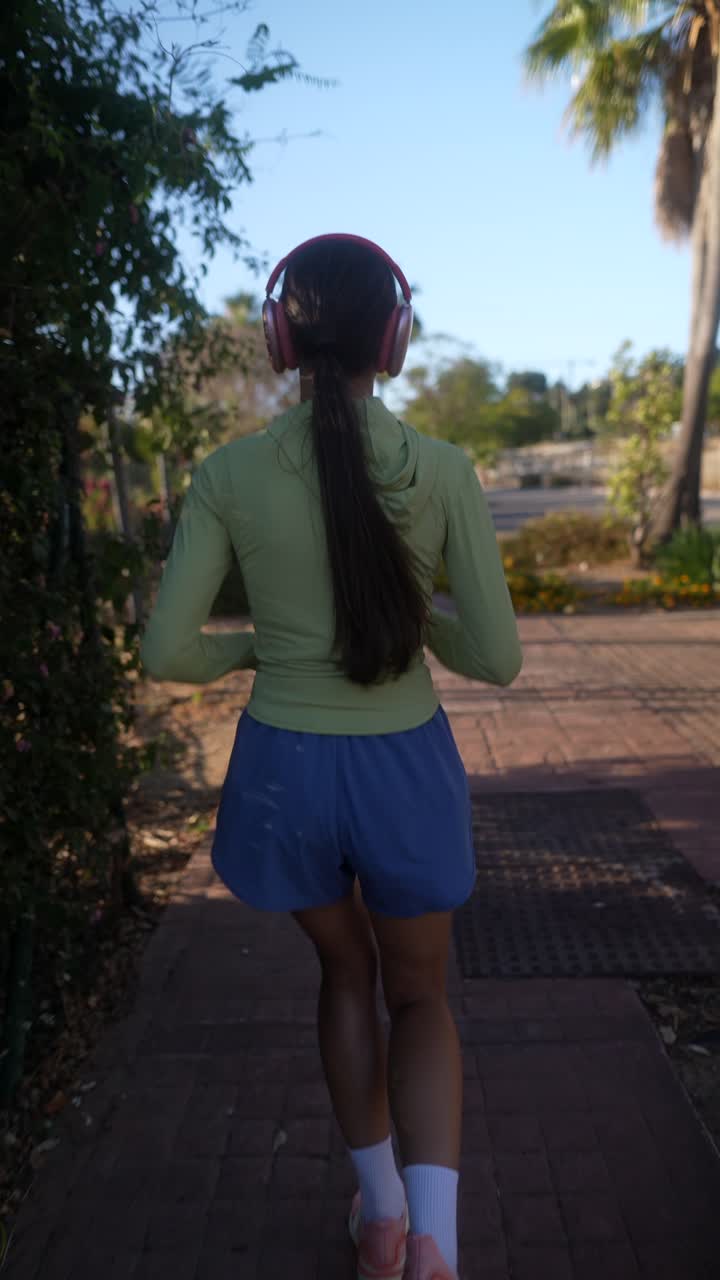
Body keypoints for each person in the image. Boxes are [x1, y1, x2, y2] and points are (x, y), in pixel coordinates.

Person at [140, 233, 522, 1280]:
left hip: (284, 771)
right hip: (405, 767)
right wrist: (409, 623)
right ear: (394, 342)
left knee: (344, 969)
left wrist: (264, 643)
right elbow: (496, 656)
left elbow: (168, 652)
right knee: (423, 997)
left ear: (278, 339)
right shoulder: (444, 471)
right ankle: (436, 1243)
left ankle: (383, 1214)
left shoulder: (226, 474)